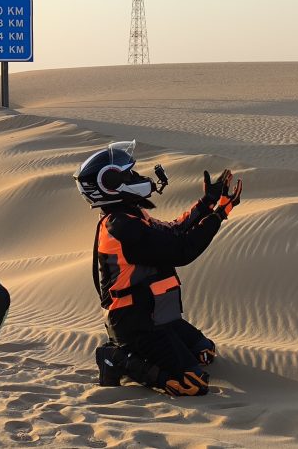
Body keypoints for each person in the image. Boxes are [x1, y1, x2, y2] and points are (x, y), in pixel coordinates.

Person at [73, 140, 242, 396]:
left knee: (204, 352)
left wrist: (207, 202)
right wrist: (220, 214)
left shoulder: (132, 216)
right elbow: (181, 250)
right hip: (135, 323)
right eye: (128, 173)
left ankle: (137, 354)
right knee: (191, 384)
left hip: (157, 316)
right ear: (111, 185)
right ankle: (115, 357)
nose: (137, 176)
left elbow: (174, 230)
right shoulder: (122, 227)